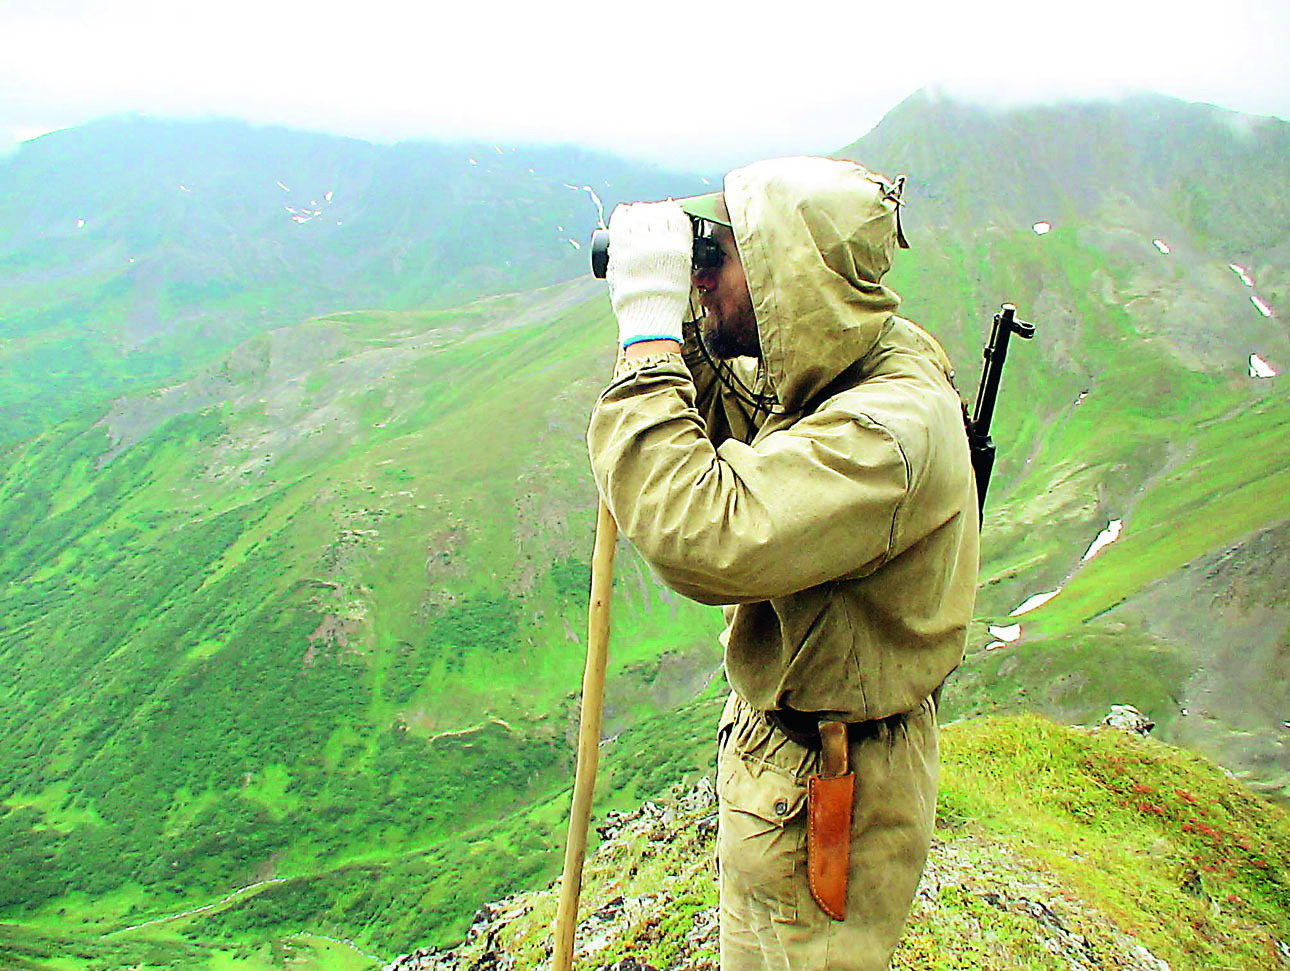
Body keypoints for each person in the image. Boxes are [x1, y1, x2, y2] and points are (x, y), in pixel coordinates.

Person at [586, 156, 979, 971]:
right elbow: (745, 410)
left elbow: (702, 529)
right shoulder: (839, 355)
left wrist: (649, 340)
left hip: (831, 790)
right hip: (790, 762)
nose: (703, 281)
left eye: (718, 260)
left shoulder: (886, 432)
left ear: (783, 276)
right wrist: (682, 320)